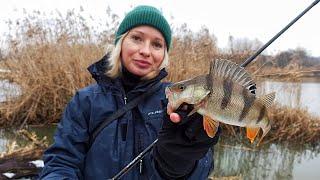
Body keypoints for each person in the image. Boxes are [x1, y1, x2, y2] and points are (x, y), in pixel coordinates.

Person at [39, 5, 220, 180]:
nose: (145, 51)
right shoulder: (84, 101)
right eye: (137, 38)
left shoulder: (179, 102)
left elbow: (204, 169)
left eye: (157, 44)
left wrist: (179, 163)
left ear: (164, 54)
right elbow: (60, 163)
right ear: (120, 43)